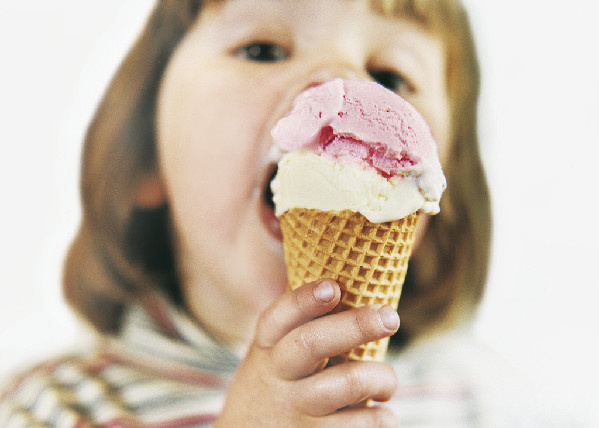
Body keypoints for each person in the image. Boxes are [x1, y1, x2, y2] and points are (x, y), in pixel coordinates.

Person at [1, 0, 554, 426]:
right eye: (263, 49)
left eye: (389, 76)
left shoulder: (486, 402)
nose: (338, 83)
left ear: (436, 193)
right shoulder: (56, 406)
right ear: (145, 153)